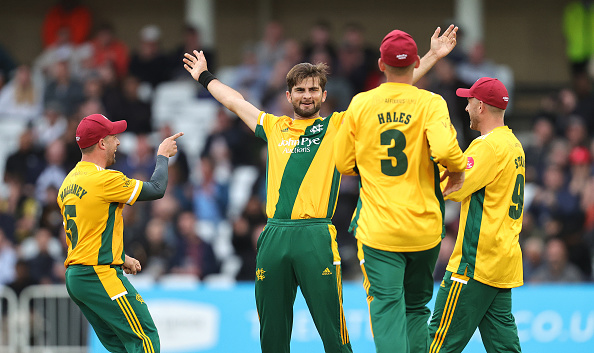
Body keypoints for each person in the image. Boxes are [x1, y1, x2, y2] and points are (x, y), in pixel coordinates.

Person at [184, 24, 459, 353]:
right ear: (288, 96)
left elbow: (397, 89)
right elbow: (235, 101)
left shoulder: (337, 125)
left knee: (334, 335)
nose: (306, 96)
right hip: (274, 235)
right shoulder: (273, 126)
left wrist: (430, 56)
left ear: (324, 95)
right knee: (271, 335)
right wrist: (204, 75)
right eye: (300, 91)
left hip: (315, 235)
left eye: (313, 90)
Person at [333, 29, 467, 353]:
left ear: (380, 63)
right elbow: (448, 152)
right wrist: (456, 170)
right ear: (418, 62)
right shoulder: (431, 103)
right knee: (417, 307)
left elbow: (341, 162)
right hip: (423, 228)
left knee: (387, 307)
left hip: (379, 230)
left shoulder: (361, 103)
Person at [57, 113, 183, 353]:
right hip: (98, 274)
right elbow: (156, 189)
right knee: (144, 337)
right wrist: (162, 156)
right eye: (114, 137)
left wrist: (121, 257)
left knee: (122, 347)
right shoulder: (103, 180)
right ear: (102, 143)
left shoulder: (68, 182)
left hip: (77, 277)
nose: (119, 143)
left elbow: (88, 231)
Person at [427, 77, 524, 352]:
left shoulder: (487, 147)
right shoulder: (514, 144)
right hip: (501, 262)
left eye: (469, 101)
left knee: (437, 343)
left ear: (481, 106)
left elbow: (452, 187)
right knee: (504, 347)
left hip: (474, 264)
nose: (466, 106)